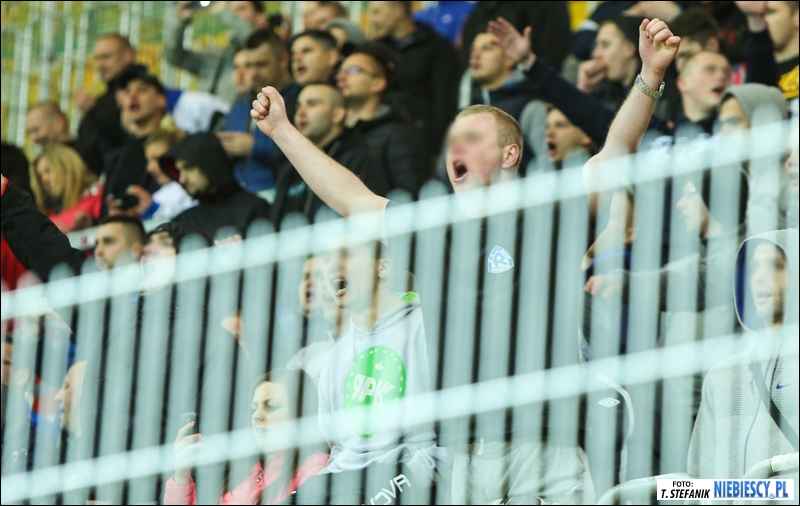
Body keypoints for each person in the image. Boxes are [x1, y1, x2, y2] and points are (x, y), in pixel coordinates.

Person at [252, 11, 683, 502]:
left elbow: (616, 151)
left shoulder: (544, 215)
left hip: (544, 444)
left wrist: (649, 76)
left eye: (472, 139)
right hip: (463, 453)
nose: (456, 149)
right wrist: (283, 131)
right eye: (452, 141)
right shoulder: (433, 231)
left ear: (510, 155)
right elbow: (351, 198)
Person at [687, 228, 798, 479]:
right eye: (754, 268)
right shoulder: (722, 375)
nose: (759, 278)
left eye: (775, 266)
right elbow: (699, 481)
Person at [164, 370, 329, 505]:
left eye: (270, 406)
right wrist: (181, 475)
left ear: (301, 413)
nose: (257, 416)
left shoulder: (315, 469)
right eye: (253, 409)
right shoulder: (244, 473)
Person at [272, 84, 378, 227]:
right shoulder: (290, 167)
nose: (300, 113)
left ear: (337, 115)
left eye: (312, 104)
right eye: (298, 106)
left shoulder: (362, 157)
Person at [366, 1, 460, 160]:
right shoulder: (373, 49)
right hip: (374, 141)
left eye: (377, 12)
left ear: (398, 10)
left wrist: (435, 146)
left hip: (421, 145)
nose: (372, 20)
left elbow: (444, 101)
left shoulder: (438, 48)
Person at [335, 44, 423, 193]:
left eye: (354, 71)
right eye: (340, 72)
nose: (341, 77)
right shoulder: (337, 135)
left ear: (378, 83)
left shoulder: (397, 134)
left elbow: (408, 191)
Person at [220, 29, 299, 193]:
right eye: (249, 66)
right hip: (237, 193)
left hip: (281, 193)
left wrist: (255, 146)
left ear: (283, 60)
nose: (253, 73)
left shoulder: (301, 99)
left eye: (261, 65)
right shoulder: (241, 101)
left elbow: (309, 152)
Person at [170, 132, 272, 240]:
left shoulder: (255, 208)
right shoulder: (183, 221)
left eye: (188, 168)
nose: (182, 179)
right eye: (179, 171)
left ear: (210, 164)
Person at [168, 0, 269, 104]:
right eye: (231, 10)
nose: (234, 14)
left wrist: (222, 10)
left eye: (241, 9)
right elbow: (175, 57)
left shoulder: (267, 53)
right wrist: (180, 22)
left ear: (260, 16)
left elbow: (250, 37)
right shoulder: (219, 55)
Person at [75, 33, 139, 177]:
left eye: (106, 57)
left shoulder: (143, 92)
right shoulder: (104, 98)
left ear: (128, 55)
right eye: (97, 59)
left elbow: (130, 136)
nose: (100, 65)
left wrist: (94, 112)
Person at [105, 71, 170, 208]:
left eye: (142, 90)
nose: (132, 96)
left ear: (161, 100)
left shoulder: (173, 147)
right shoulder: (116, 156)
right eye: (127, 92)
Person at [116, 128, 197, 222]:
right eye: (149, 161)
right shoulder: (157, 197)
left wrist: (154, 209)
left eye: (157, 158)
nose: (150, 168)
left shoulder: (196, 187)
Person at [737, 1, 799, 112]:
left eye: (769, 12)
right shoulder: (750, 74)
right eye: (756, 16)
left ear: (796, 17)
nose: (762, 21)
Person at [29, 143, 104, 233]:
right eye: (40, 176)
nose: (44, 179)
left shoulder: (98, 195)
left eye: (48, 171)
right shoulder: (47, 213)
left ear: (67, 168)